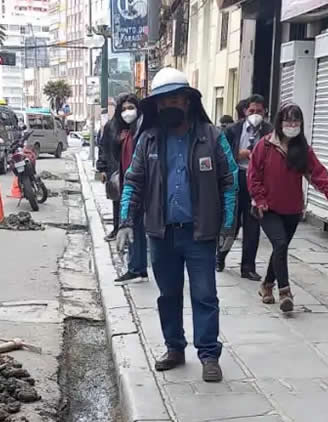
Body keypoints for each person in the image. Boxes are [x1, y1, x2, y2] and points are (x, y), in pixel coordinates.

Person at [117, 67, 238, 382]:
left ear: (187, 101)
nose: (168, 106)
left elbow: (230, 182)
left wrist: (227, 226)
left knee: (204, 295)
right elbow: (133, 182)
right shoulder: (149, 140)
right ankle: (174, 347)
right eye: (162, 101)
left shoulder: (212, 138)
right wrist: (126, 222)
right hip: (162, 234)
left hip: (200, 235)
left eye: (174, 99)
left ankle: (209, 354)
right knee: (168, 294)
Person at [248, 103, 328, 312]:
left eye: (295, 121)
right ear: (279, 122)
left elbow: (317, 172)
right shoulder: (265, 145)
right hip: (267, 208)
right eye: (287, 120)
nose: (291, 125)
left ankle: (266, 285)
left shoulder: (303, 150)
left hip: (292, 209)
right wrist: (259, 199)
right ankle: (285, 292)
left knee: (281, 248)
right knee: (280, 245)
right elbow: (253, 175)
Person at [217, 94, 272, 279]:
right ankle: (220, 256)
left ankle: (248, 267)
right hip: (236, 178)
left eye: (259, 111)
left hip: (256, 181)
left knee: (253, 224)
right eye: (252, 111)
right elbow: (220, 153)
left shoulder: (270, 132)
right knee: (230, 221)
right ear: (245, 111)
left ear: (264, 112)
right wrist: (237, 154)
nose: (255, 114)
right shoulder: (233, 130)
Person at [97, 93, 148, 283]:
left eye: (131, 108)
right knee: (131, 223)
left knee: (137, 225)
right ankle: (137, 267)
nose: (128, 112)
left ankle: (137, 268)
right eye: (124, 109)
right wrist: (103, 169)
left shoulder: (143, 128)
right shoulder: (114, 127)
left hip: (140, 182)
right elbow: (105, 148)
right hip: (123, 179)